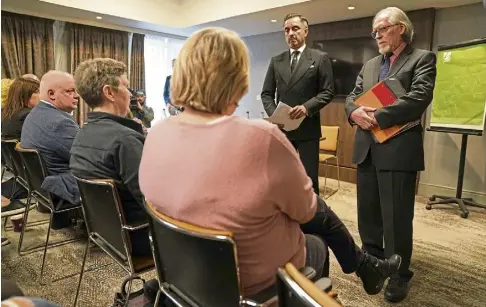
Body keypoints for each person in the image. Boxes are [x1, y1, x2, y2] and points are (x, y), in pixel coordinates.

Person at [139, 27, 401, 298]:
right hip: (254, 288)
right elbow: (306, 211)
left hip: (182, 273)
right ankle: (362, 267)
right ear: (239, 79)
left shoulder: (156, 133)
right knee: (316, 235)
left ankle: (366, 266)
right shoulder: (262, 138)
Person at [344, 7, 437, 303]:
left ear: (401, 28)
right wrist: (354, 112)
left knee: (396, 218)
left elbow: (418, 98)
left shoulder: (422, 58)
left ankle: (399, 274)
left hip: (398, 151)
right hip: (367, 149)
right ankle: (374, 264)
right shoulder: (370, 64)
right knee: (368, 215)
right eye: (375, 31)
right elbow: (352, 96)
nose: (377, 35)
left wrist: (378, 117)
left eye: (382, 28)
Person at [70, 58, 150, 256]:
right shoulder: (124, 139)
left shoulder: (82, 133)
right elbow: (151, 200)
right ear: (109, 92)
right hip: (138, 237)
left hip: (105, 233)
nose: (131, 94)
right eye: (126, 86)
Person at [261, 13, 334, 195]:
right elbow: (266, 94)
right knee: (281, 176)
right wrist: (274, 115)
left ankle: (311, 220)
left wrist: (306, 108)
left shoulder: (319, 58)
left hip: (308, 128)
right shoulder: (276, 61)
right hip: (282, 129)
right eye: (286, 30)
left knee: (309, 180)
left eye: (295, 29)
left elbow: (327, 92)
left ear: (305, 31)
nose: (290, 33)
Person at [20, 70, 81, 228]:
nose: (77, 96)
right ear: (51, 94)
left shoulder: (34, 114)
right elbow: (88, 160)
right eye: (70, 91)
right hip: (64, 188)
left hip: (42, 188)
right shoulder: (60, 123)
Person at [1, 77, 41, 230]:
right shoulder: (27, 116)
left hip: (18, 171)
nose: (42, 95)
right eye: (37, 92)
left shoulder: (7, 115)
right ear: (25, 96)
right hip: (33, 176)